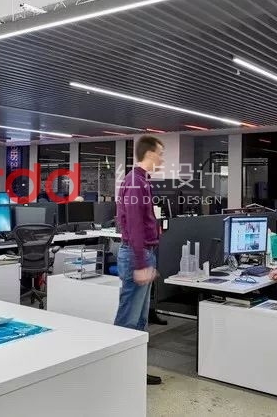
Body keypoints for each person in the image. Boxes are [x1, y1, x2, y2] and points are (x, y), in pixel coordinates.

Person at [115, 135, 164, 385]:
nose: (162, 159)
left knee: (140, 320)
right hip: (139, 254)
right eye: (160, 154)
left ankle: (133, 370)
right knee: (129, 319)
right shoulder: (135, 182)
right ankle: (118, 372)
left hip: (145, 252)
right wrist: (141, 264)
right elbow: (134, 226)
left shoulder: (142, 180)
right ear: (150, 154)